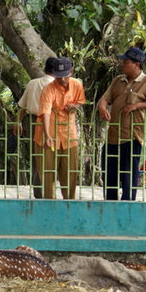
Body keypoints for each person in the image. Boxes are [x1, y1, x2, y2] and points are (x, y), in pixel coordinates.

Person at [97, 47, 146, 200]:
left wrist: (137, 105)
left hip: (132, 136)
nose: (122, 64)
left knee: (128, 174)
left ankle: (128, 205)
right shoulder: (117, 80)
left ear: (136, 64)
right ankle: (111, 203)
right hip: (113, 135)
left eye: (126, 62)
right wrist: (102, 106)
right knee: (109, 173)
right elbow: (105, 98)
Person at [34, 57, 85, 199]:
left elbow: (80, 101)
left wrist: (75, 106)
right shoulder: (48, 89)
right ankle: (49, 208)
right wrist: (48, 136)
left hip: (69, 136)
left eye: (65, 76)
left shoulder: (77, 85)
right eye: (59, 76)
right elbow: (45, 112)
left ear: (71, 72)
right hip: (49, 136)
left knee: (69, 175)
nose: (62, 79)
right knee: (48, 176)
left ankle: (69, 207)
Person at [14, 57, 57, 198]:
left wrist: (18, 122)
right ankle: (48, 194)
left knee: (37, 160)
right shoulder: (58, 85)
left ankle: (39, 194)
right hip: (53, 124)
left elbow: (22, 106)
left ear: (45, 69)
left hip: (34, 123)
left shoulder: (33, 84)